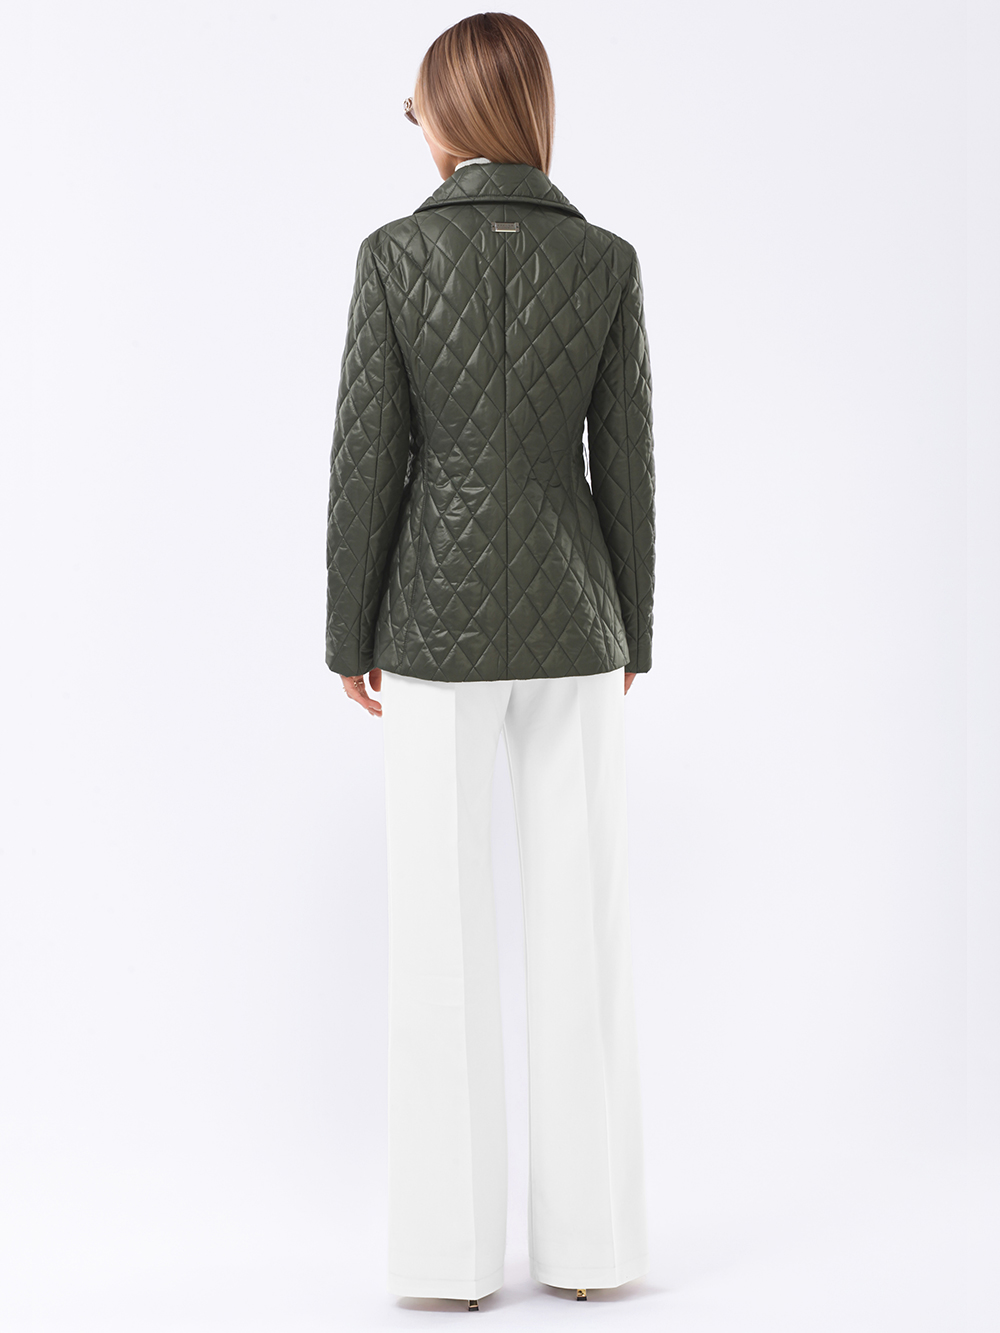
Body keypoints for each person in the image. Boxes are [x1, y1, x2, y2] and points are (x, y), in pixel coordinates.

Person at [325, 12, 655, 1310]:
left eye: (418, 111)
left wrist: (347, 633)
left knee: (439, 940)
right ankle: (596, 1254)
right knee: (586, 937)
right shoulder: (607, 261)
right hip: (577, 618)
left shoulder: (395, 256)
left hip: (433, 622)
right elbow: (626, 463)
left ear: (448, 118)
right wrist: (634, 622)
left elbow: (368, 459)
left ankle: (446, 1264)